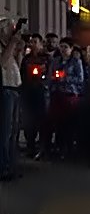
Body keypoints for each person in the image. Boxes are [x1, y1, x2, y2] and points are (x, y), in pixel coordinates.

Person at [50, 37, 85, 158]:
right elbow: (50, 76)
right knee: (57, 121)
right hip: (56, 93)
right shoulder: (55, 61)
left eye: (66, 47)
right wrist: (53, 79)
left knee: (68, 122)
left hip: (70, 94)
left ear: (71, 49)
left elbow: (80, 79)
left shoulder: (76, 62)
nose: (63, 49)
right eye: (61, 46)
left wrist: (65, 78)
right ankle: (58, 147)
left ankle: (67, 148)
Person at [19, 33, 50, 158]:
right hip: (28, 91)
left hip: (41, 92)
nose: (32, 44)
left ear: (41, 44)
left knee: (42, 120)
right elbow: (22, 74)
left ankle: (43, 147)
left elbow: (50, 74)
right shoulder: (26, 59)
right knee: (29, 121)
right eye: (31, 42)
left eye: (35, 42)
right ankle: (30, 146)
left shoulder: (46, 58)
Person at [0, 17, 23, 179]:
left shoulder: (7, 46)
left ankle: (10, 164)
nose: (13, 30)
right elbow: (2, 62)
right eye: (10, 27)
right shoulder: (3, 47)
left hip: (14, 90)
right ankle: (3, 167)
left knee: (13, 130)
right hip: (5, 90)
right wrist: (13, 44)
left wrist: (19, 51)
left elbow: (16, 68)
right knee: (5, 131)